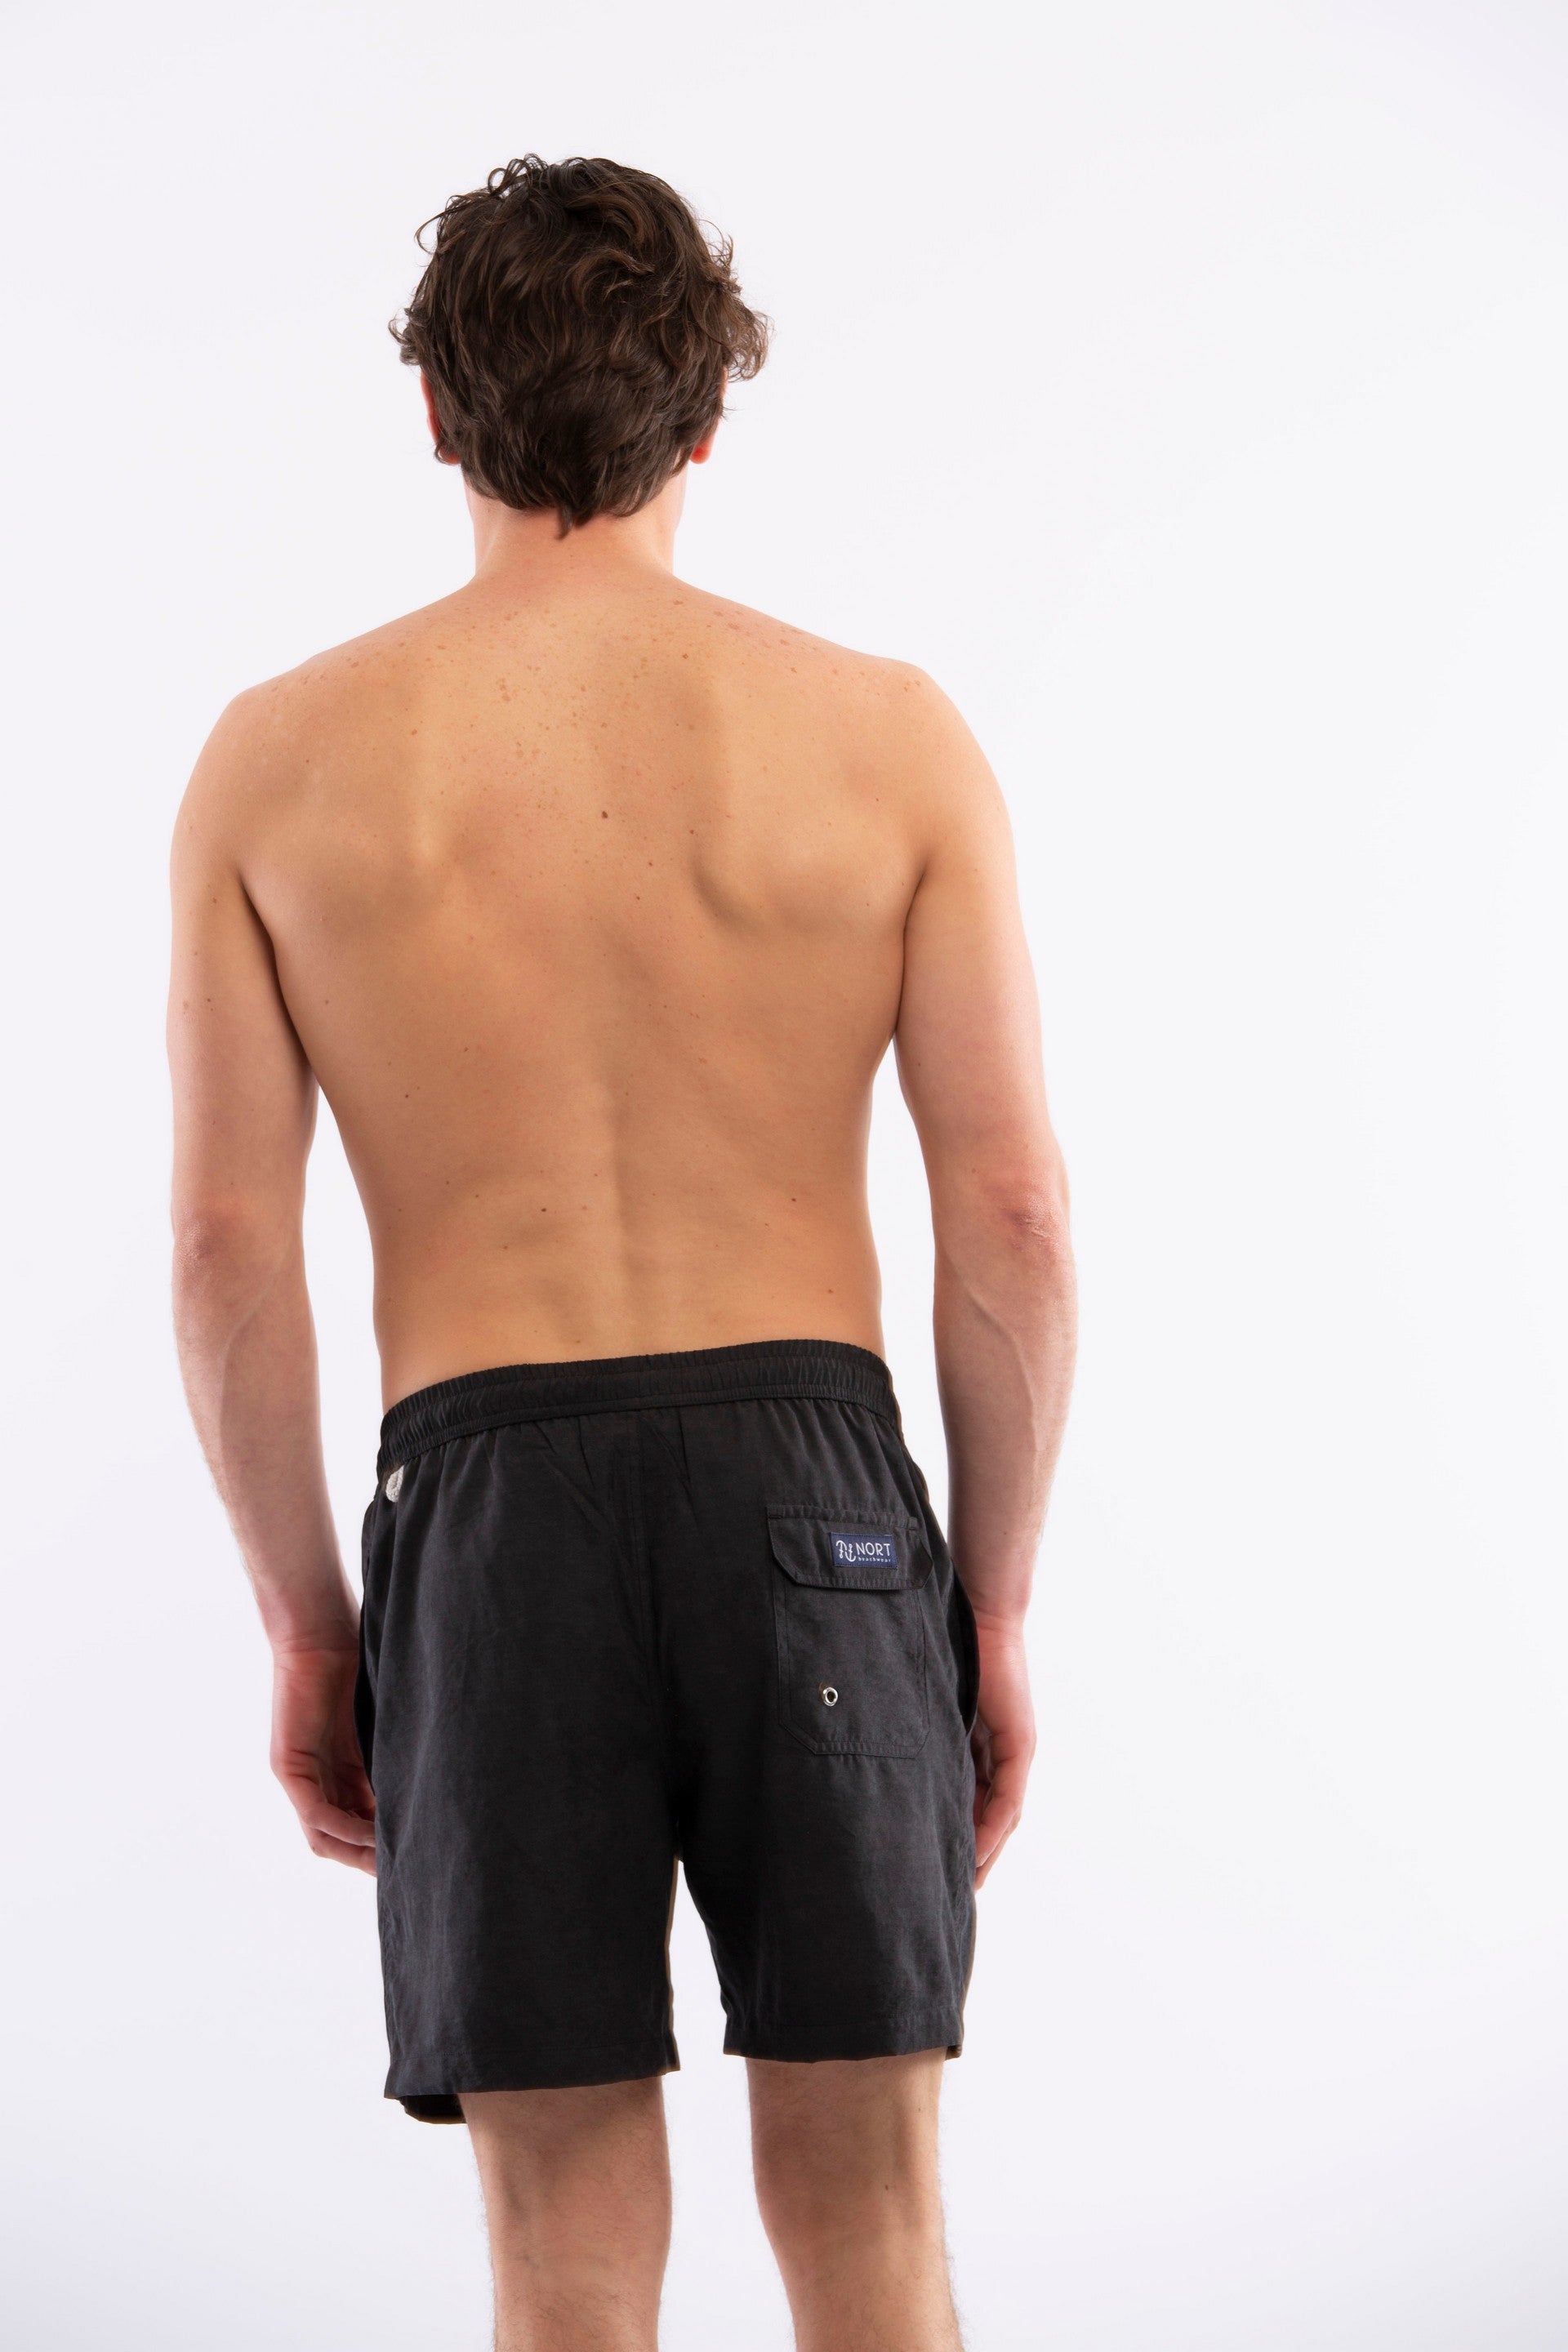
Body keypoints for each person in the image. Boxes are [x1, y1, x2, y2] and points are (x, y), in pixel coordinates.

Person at [168, 153, 1076, 2352]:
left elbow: (225, 1249)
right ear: (709, 418)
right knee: (872, 2223)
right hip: (816, 1507)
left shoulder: (276, 765)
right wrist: (991, 1602)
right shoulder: (888, 738)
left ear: (434, 413)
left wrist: (311, 1626)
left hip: (488, 1516)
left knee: (562, 2248)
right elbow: (1014, 1220)